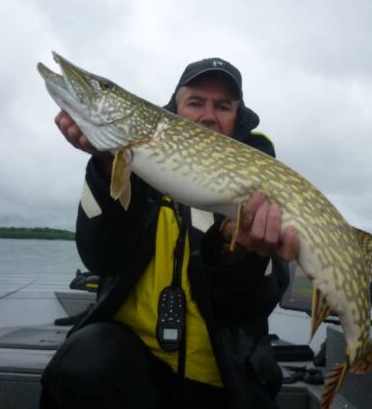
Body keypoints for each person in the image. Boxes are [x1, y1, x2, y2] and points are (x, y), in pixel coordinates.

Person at [40, 58, 300, 409]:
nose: (208, 115)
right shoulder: (134, 165)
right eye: (195, 102)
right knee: (82, 362)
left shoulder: (258, 185)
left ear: (237, 117)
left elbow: (253, 304)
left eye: (222, 106)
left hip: (225, 381)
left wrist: (238, 255)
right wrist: (104, 164)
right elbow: (100, 256)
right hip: (134, 375)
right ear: (174, 108)